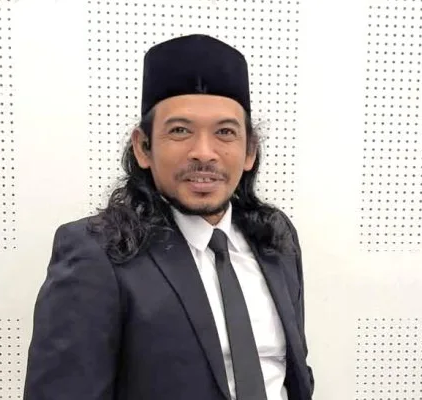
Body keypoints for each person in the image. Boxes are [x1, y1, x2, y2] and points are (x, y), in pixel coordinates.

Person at [22, 34, 314, 400]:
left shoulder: (276, 237)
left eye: (225, 132)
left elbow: (293, 373)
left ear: (250, 151)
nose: (203, 153)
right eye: (180, 131)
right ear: (143, 148)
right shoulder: (98, 254)